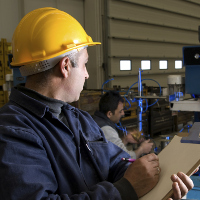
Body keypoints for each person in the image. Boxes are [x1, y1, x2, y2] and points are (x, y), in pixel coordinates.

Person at [0, 7, 196, 200]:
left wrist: (158, 184)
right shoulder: (13, 131)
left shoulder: (80, 119)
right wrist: (125, 190)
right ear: (65, 66)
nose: (86, 74)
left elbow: (117, 164)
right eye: (85, 64)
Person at [93, 90, 153, 159]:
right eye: (120, 111)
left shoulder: (97, 120)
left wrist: (125, 139)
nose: (123, 113)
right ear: (109, 114)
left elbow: (114, 149)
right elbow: (125, 158)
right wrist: (142, 149)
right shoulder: (106, 129)